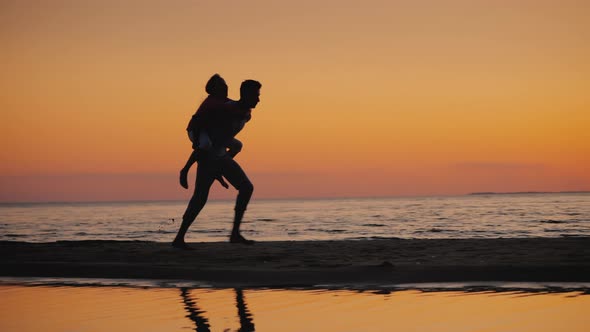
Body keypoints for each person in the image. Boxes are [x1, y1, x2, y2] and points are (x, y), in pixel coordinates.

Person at [172, 79, 262, 249]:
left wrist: (223, 167)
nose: (259, 99)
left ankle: (235, 234)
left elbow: (226, 140)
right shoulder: (227, 110)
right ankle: (179, 238)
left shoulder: (246, 115)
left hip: (221, 157)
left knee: (246, 187)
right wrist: (186, 169)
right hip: (207, 157)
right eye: (256, 96)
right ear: (246, 95)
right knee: (200, 198)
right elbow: (204, 143)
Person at [179, 74, 245, 190]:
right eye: (222, 85)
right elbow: (198, 122)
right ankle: (185, 170)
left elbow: (237, 106)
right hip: (196, 130)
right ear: (215, 89)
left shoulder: (225, 101)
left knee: (237, 146)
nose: (226, 87)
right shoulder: (211, 103)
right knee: (205, 145)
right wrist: (196, 143)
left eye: (226, 85)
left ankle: (219, 167)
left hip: (211, 133)